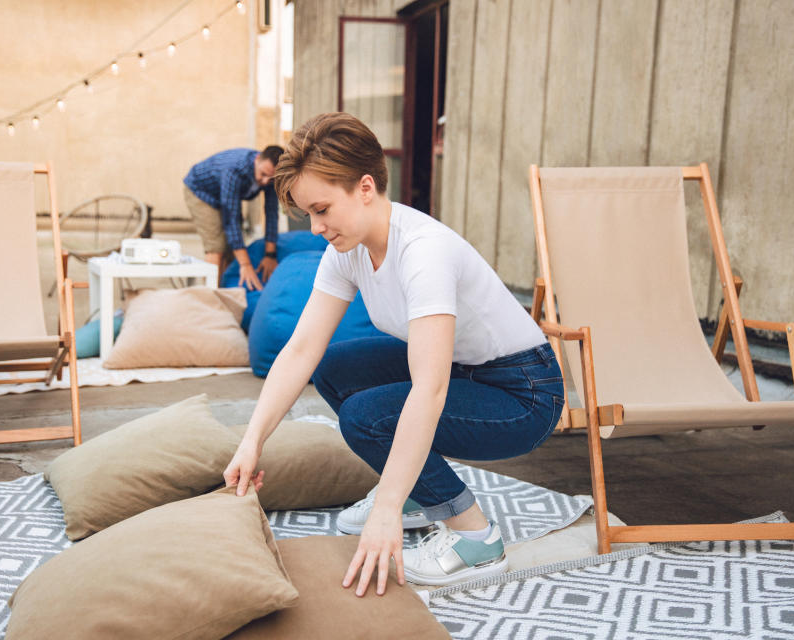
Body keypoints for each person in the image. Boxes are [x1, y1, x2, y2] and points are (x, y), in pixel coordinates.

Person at [222, 113, 564, 596]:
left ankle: (475, 539)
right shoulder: (348, 249)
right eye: (308, 215)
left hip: (522, 394)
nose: (316, 228)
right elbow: (301, 348)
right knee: (336, 368)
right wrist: (252, 440)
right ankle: (417, 498)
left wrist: (382, 510)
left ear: (365, 187)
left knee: (367, 418)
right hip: (465, 372)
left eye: (322, 209)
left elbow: (430, 387)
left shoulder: (423, 251)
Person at [183, 145, 284, 290]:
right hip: (201, 192)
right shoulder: (235, 169)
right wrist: (245, 264)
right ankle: (210, 297)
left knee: (231, 249)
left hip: (225, 197)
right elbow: (231, 219)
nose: (265, 181)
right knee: (217, 246)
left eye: (271, 178)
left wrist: (270, 255)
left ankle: (224, 292)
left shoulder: (270, 177)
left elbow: (271, 213)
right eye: (263, 174)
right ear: (257, 159)